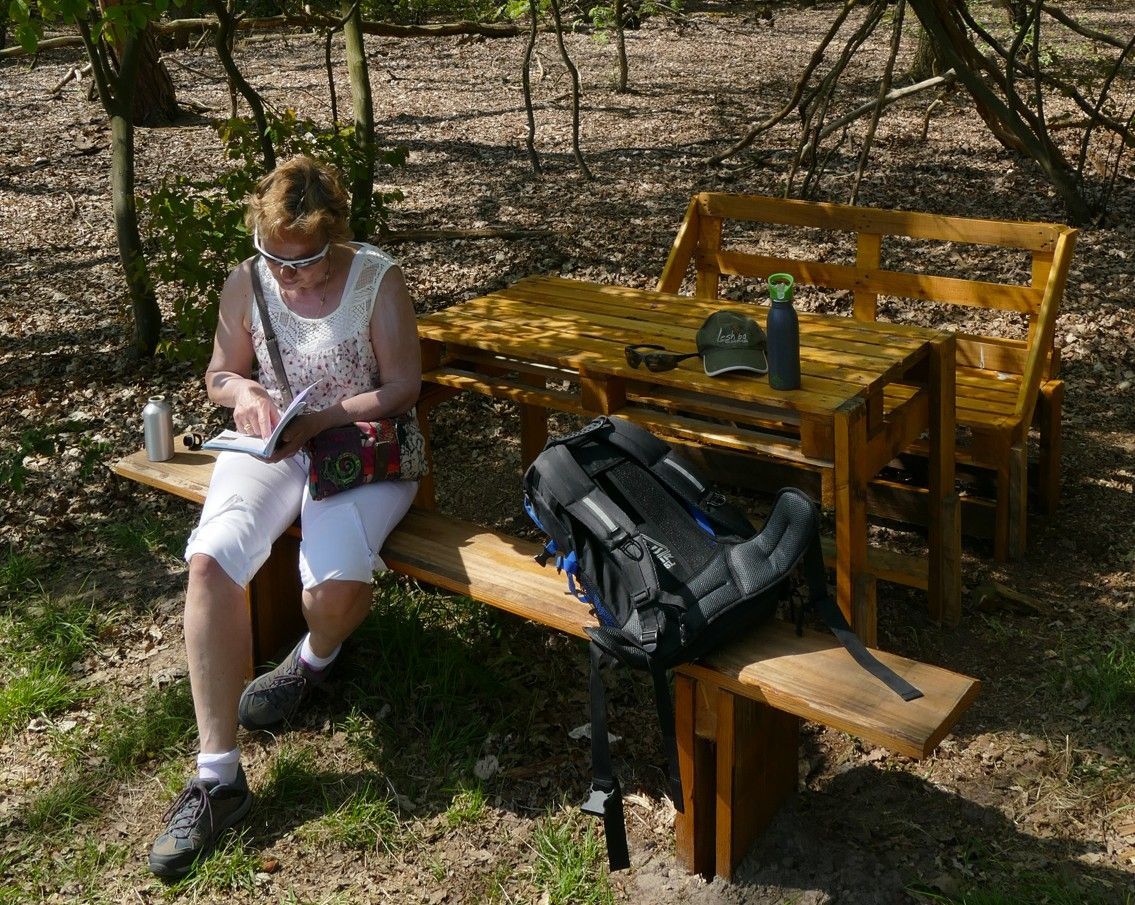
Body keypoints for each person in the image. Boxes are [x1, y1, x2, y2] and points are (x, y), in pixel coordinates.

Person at [148, 156, 421, 879]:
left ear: (335, 238)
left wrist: (326, 415)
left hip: (353, 447)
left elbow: (403, 384)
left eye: (306, 261)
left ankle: (312, 661)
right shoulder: (246, 279)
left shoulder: (374, 277)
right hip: (272, 443)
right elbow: (218, 373)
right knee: (210, 559)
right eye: (277, 260)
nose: (290, 275)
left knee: (328, 594)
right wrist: (242, 394)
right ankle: (217, 778)